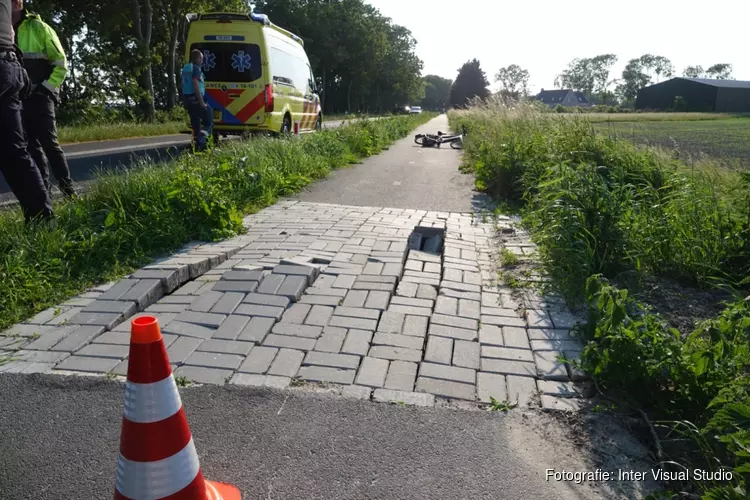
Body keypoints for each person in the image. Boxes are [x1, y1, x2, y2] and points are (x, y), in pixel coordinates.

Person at [12, 0, 76, 198]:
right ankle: (44, 195)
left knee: (50, 144)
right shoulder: (4, 30)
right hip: (17, 99)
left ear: (19, 3)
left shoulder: (39, 28)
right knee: (31, 148)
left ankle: (69, 192)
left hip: (41, 96)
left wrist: (45, 89)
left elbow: (61, 63)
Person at [0, 0, 53, 222]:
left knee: (14, 152)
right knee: (13, 153)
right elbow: (11, 27)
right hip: (7, 64)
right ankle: (42, 220)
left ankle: (42, 219)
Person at [181, 49, 213, 151]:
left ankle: (196, 147)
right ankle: (200, 139)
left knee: (196, 125)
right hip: (197, 99)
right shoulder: (196, 68)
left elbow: (183, 84)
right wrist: (202, 102)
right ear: (197, 58)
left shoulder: (185, 68)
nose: (202, 61)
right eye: (201, 58)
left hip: (188, 100)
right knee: (209, 123)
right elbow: (195, 84)